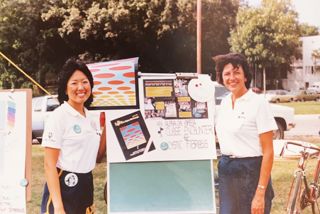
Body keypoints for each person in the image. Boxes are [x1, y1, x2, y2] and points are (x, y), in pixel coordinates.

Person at [213, 53, 277, 214]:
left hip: (251, 173)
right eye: (227, 73)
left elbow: (268, 151)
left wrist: (260, 192)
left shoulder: (258, 103)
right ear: (221, 77)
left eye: (237, 72)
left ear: (245, 76)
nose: (232, 78)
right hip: (227, 172)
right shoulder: (225, 102)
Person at [40, 58, 106, 214]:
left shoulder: (92, 118)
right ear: (65, 88)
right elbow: (49, 165)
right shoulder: (59, 116)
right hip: (64, 185)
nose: (81, 87)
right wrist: (58, 207)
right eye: (74, 83)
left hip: (86, 184)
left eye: (85, 82)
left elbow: (97, 156)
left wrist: (109, 127)